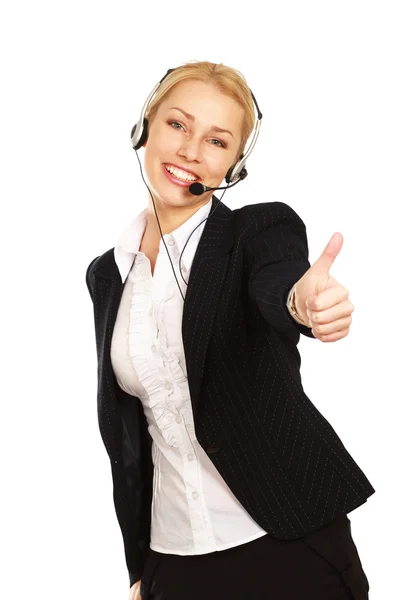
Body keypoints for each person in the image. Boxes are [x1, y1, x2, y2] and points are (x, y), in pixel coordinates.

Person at [85, 61, 375, 600]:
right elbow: (130, 432)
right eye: (177, 125)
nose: (191, 150)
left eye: (216, 141)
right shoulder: (109, 272)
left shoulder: (258, 231)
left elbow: (279, 287)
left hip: (287, 543)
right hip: (174, 561)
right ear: (144, 127)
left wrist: (304, 303)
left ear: (233, 166)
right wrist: (140, 567)